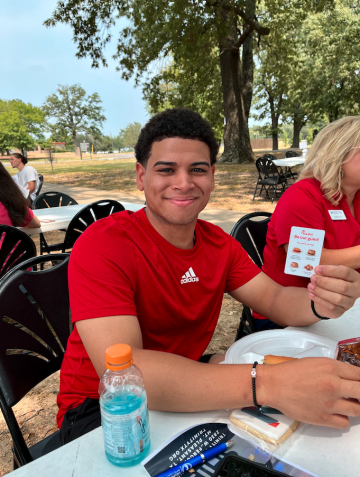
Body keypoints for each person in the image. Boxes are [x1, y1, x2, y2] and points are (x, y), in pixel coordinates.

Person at [57, 109, 360, 445]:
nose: (184, 183)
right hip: (100, 410)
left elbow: (274, 299)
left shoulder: (218, 243)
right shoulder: (103, 244)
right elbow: (127, 372)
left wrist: (324, 300)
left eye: (197, 170)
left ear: (212, 176)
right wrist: (270, 384)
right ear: (141, 176)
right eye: (166, 170)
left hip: (182, 380)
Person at [255, 116, 360, 330]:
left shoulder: (355, 196)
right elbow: (307, 261)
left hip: (345, 304)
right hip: (290, 313)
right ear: (339, 153)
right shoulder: (303, 196)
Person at [0, 163, 41, 228]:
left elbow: (32, 187)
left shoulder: (28, 170)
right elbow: (36, 224)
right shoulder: (10, 201)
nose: (10, 161)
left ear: (19, 160)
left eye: (12, 159)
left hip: (29, 197)